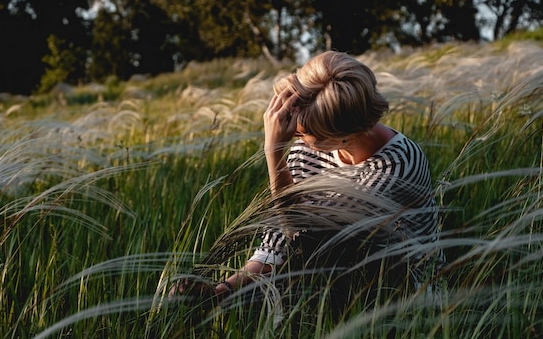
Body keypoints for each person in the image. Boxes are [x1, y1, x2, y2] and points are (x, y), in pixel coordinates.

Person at [171, 51, 444, 316]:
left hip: (398, 294)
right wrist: (225, 289)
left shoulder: (395, 166)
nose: (296, 137)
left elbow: (309, 243)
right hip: (324, 275)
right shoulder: (309, 148)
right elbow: (278, 241)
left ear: (340, 136)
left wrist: (274, 151)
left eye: (303, 133)